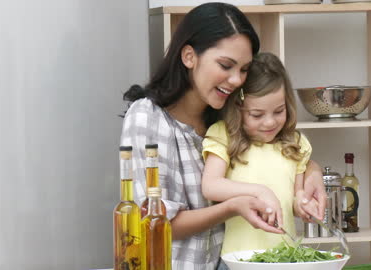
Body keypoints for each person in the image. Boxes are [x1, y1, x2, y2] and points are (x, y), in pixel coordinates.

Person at [120, 3, 327, 269]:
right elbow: (158, 223)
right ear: (189, 56)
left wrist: (312, 171)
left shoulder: (228, 115)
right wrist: (233, 206)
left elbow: (272, 153)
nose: (236, 80)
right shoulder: (148, 117)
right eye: (226, 65)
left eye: (243, 70)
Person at [201, 52, 317, 257]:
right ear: (237, 108)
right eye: (257, 115)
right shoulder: (224, 136)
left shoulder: (296, 144)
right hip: (238, 260)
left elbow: (295, 199)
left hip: (285, 257)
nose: (270, 122)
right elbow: (210, 186)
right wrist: (259, 191)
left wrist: (304, 205)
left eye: (279, 111)